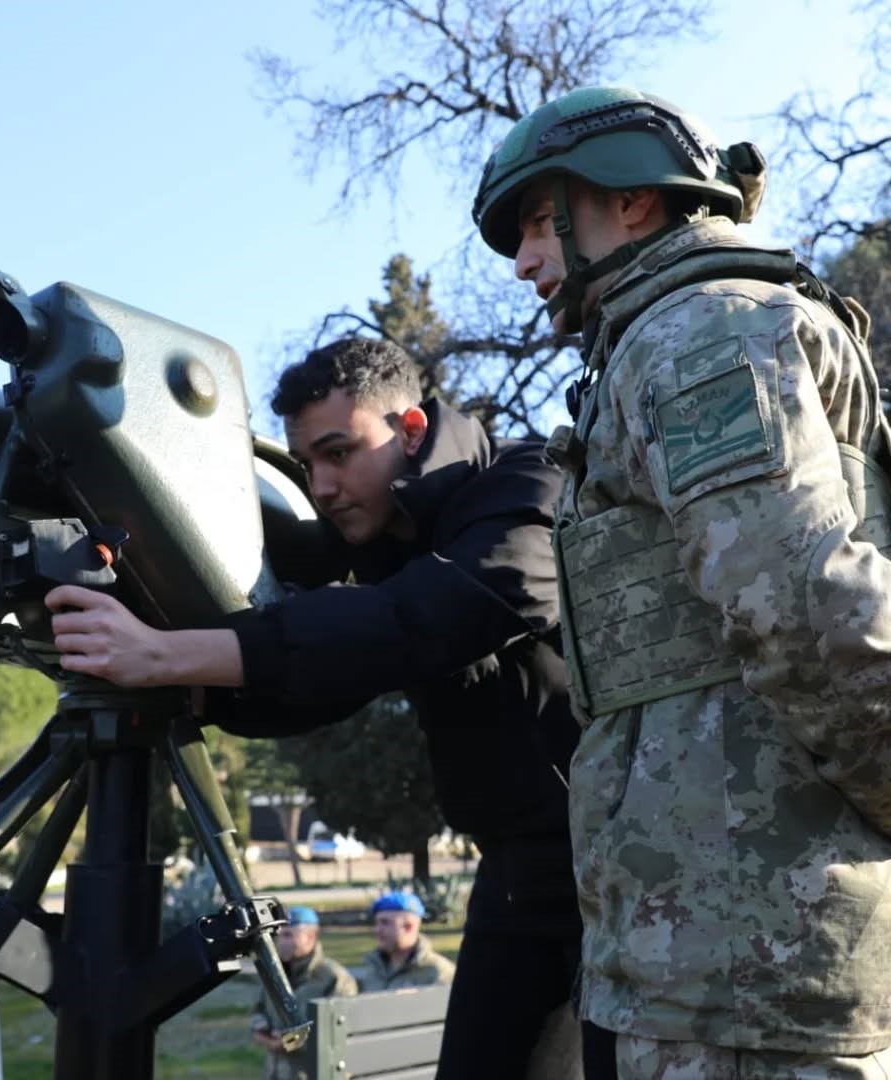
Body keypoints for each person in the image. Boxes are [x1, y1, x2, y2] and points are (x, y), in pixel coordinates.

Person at [473, 84, 891, 1078]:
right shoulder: (664, 341)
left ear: (634, 200)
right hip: (720, 950)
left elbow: (807, 611)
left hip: (752, 963)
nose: (526, 261)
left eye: (539, 220)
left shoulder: (702, 334)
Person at [45, 336, 603, 1078]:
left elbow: (429, 618)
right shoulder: (402, 544)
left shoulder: (531, 482)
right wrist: (188, 682)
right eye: (309, 464)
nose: (323, 485)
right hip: (514, 878)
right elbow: (338, 672)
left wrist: (170, 653)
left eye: (340, 453)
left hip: (616, 868)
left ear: (409, 430)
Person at [248, 905, 357, 1080]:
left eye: (289, 935)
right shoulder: (273, 974)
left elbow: (339, 1032)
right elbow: (258, 1010)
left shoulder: (334, 978)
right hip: (275, 1073)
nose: (281, 942)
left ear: (310, 937)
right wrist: (260, 1030)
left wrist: (288, 1042)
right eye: (278, 936)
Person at [357, 891, 455, 992]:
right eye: (377, 923)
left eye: (385, 923)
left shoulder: (439, 973)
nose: (378, 930)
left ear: (409, 927)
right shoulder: (373, 969)